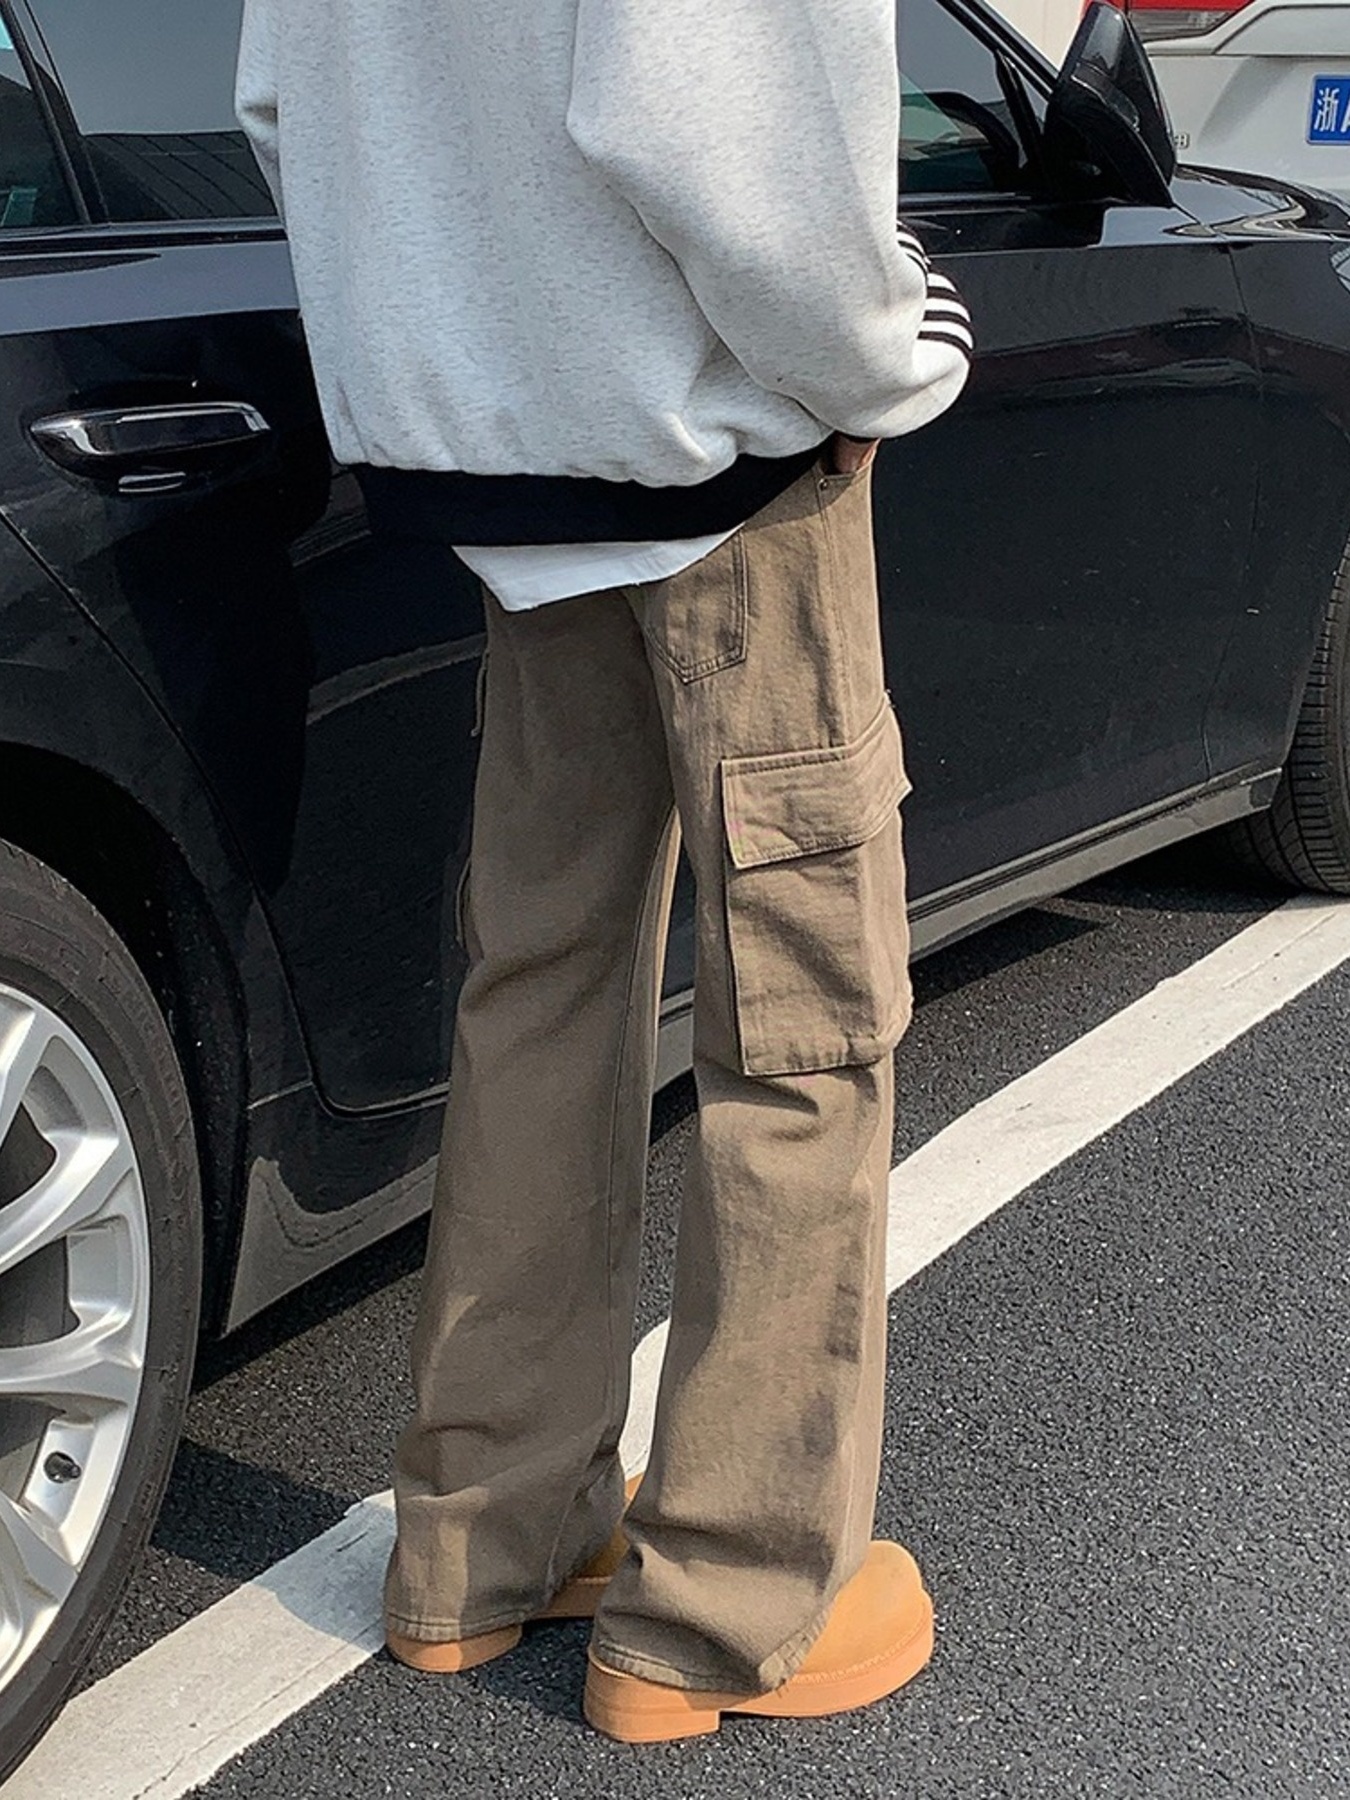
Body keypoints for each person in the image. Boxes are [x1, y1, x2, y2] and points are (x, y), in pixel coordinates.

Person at [237, 0, 971, 1745]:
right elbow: (714, 103)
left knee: (539, 995)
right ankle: (724, 1606)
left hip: (498, 480)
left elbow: (277, 103)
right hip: (727, 466)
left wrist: (470, 327)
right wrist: (882, 355)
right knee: (801, 1024)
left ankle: (477, 1549)